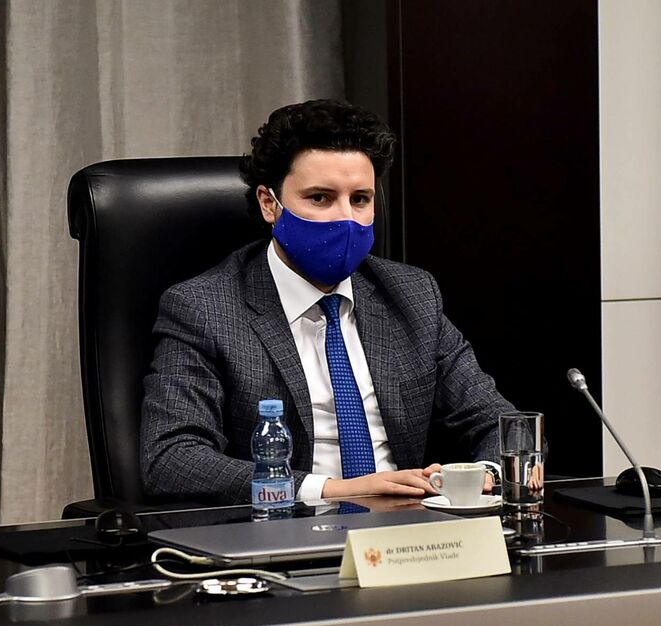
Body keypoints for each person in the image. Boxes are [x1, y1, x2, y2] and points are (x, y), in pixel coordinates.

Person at [140, 99, 514, 503]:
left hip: (407, 527)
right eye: (320, 198)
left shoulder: (412, 295)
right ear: (269, 203)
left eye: (360, 199)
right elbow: (171, 459)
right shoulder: (204, 308)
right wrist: (332, 490)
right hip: (285, 528)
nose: (346, 218)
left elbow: (502, 424)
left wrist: (485, 473)